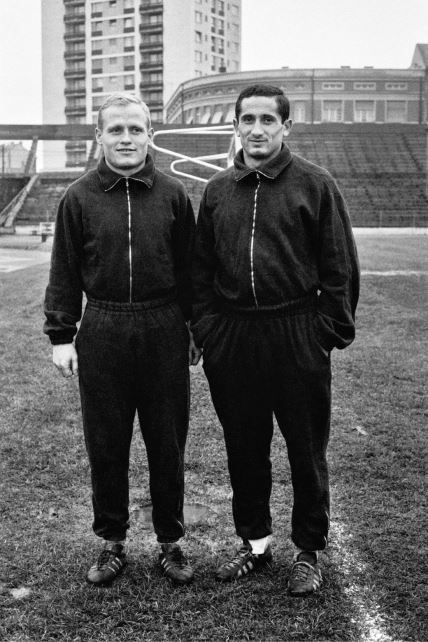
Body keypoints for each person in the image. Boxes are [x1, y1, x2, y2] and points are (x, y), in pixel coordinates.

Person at [191, 84, 359, 596]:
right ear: (236, 127)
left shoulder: (315, 183)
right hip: (234, 336)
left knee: (306, 450)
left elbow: (340, 269)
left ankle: (308, 550)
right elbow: (200, 272)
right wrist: (210, 332)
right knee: (245, 447)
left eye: (268, 119)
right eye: (248, 120)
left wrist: (322, 335)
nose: (257, 129)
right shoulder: (218, 189)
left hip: (296, 334)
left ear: (286, 126)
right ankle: (255, 543)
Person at [44, 92, 200, 587]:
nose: (126, 138)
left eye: (135, 129)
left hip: (163, 327)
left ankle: (170, 542)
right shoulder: (79, 197)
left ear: (150, 133)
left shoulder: (173, 194)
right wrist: (61, 335)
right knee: (106, 444)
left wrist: (194, 327)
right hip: (104, 328)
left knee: (167, 442)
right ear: (99, 137)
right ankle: (112, 541)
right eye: (116, 130)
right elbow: (64, 271)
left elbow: (192, 271)